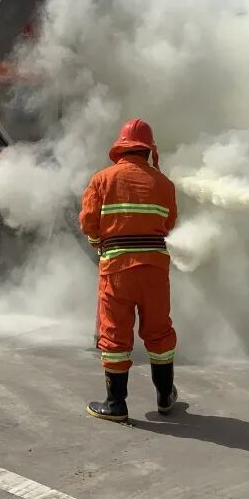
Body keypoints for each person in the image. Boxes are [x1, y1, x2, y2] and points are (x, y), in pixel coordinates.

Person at [79, 119, 178, 422]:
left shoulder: (102, 180)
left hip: (117, 268)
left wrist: (99, 243)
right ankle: (165, 396)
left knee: (115, 332)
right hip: (154, 269)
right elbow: (169, 224)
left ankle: (116, 404)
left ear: (120, 148)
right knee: (159, 331)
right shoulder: (164, 184)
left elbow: (88, 222)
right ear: (149, 150)